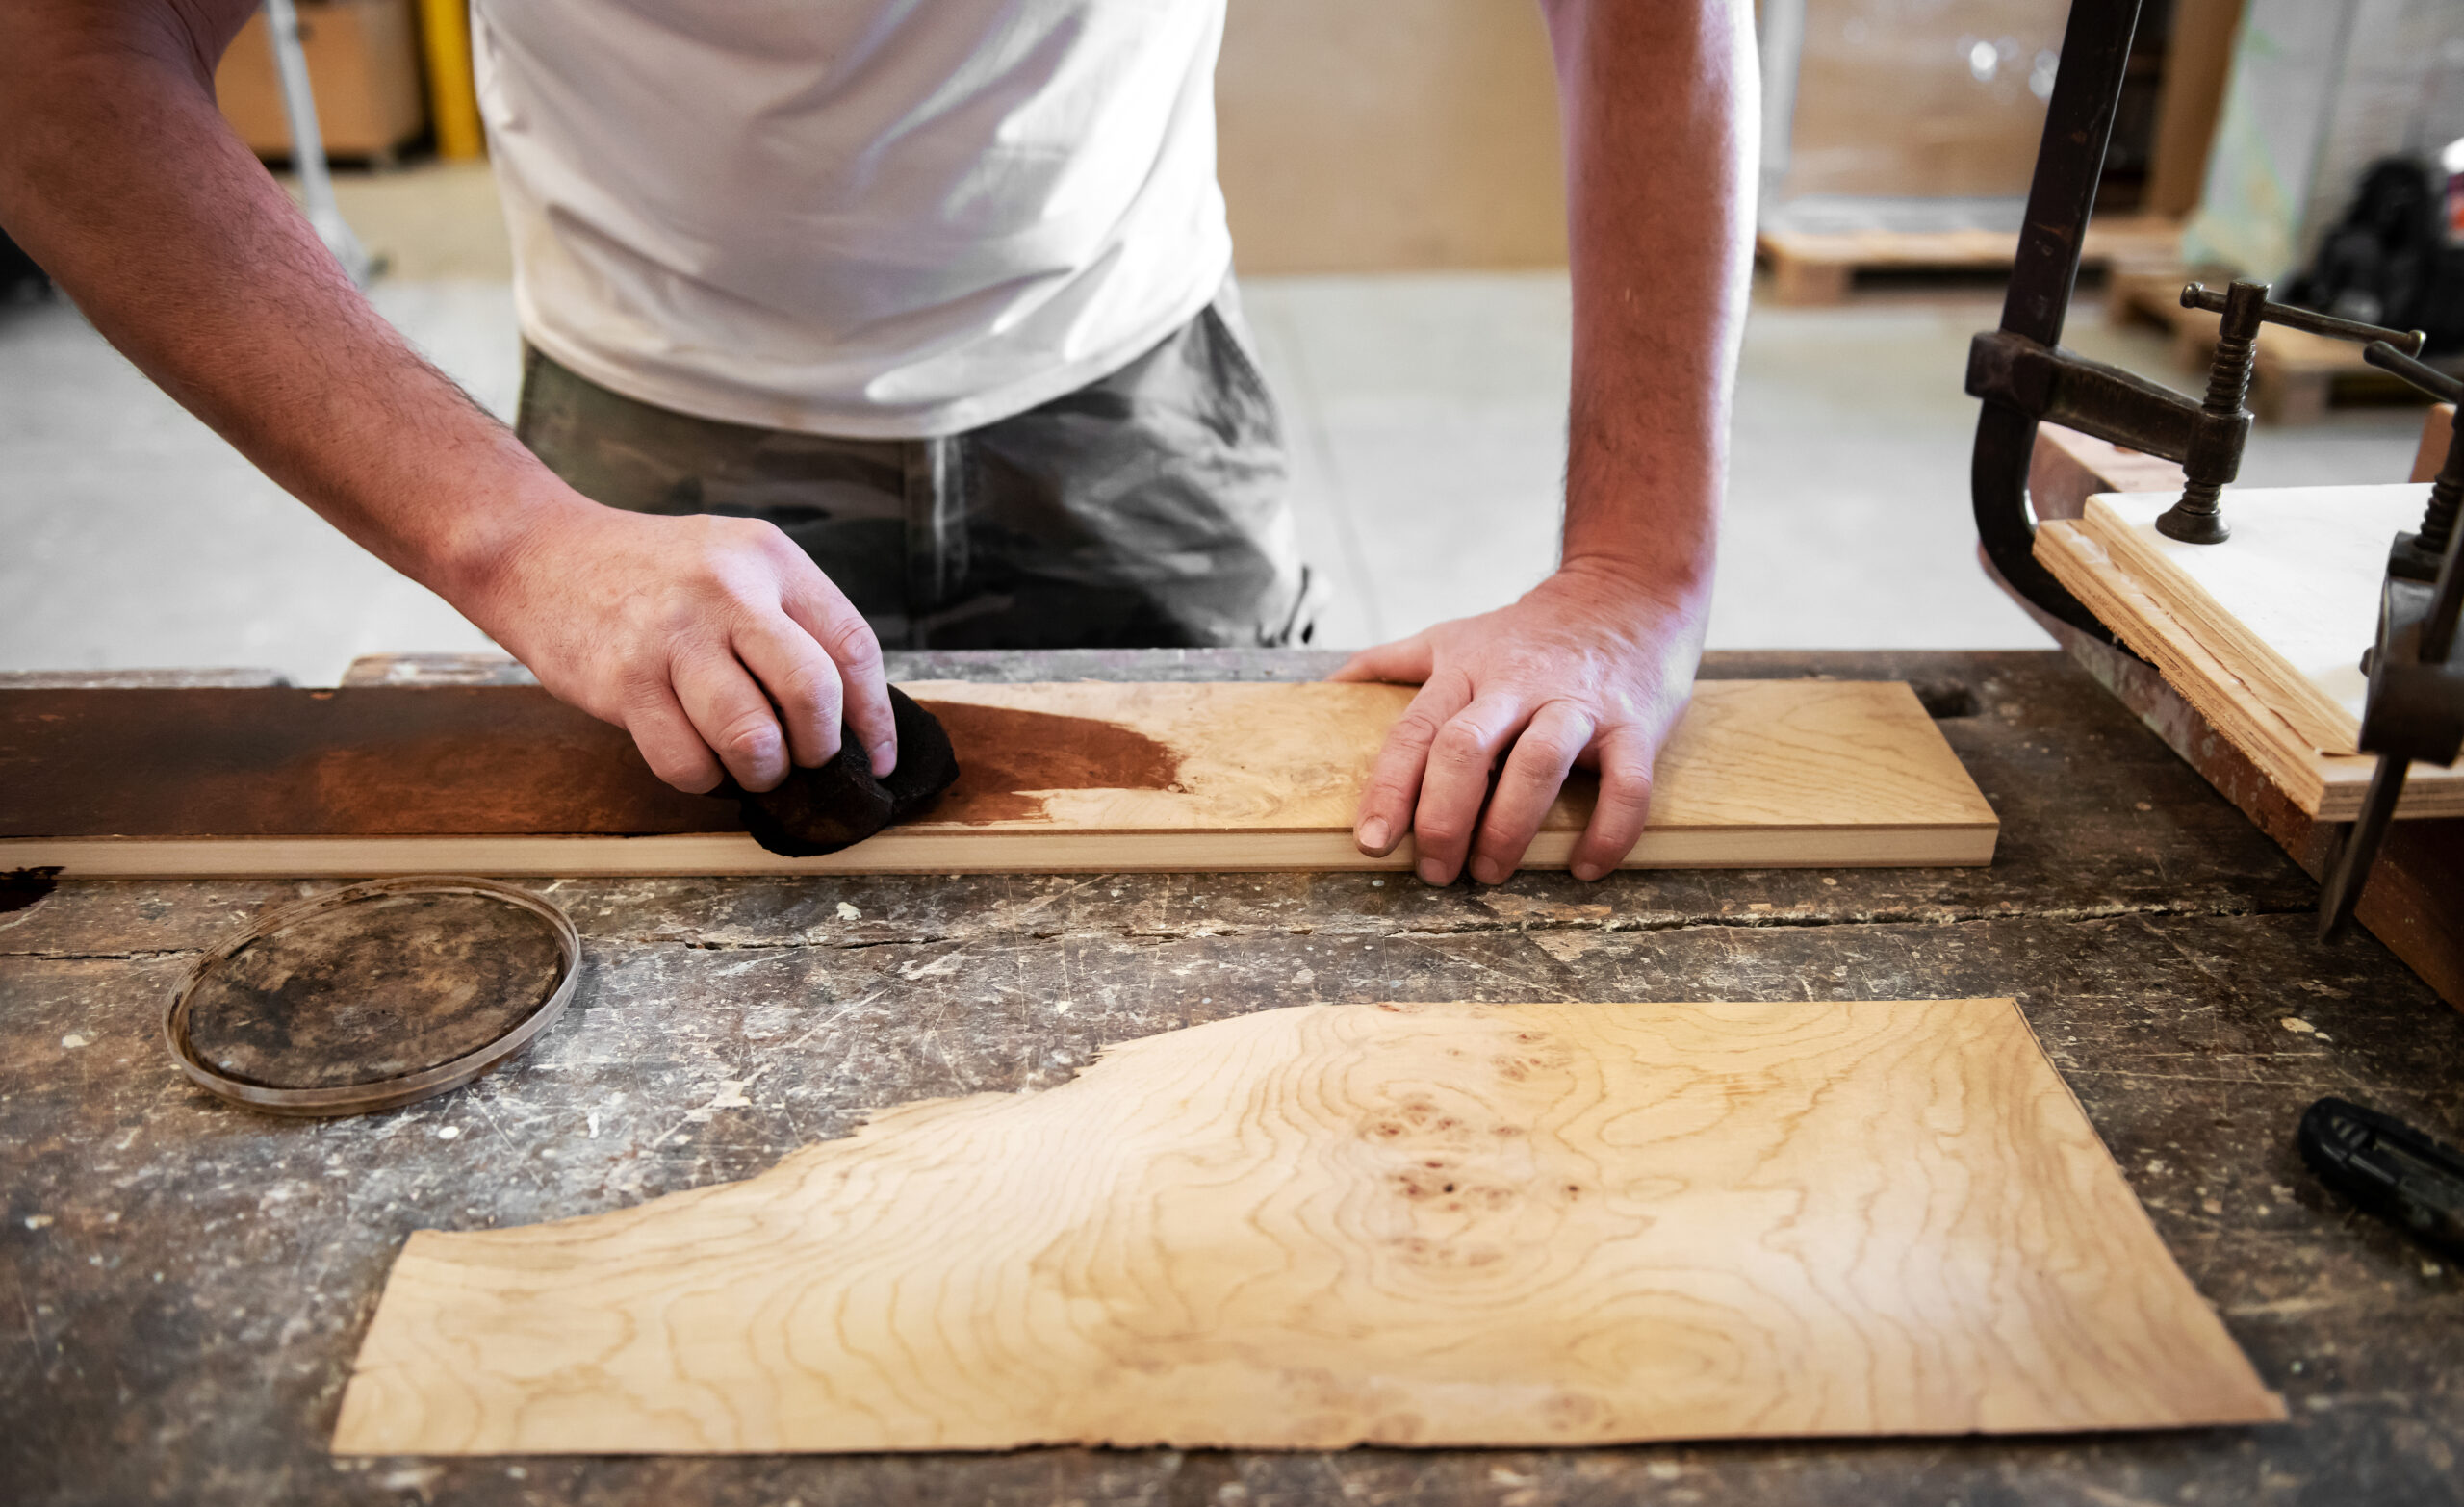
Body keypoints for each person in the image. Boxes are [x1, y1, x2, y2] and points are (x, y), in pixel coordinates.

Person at [0, 0, 1752, 884]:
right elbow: (63, 51)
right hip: (638, 439)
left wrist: (1630, 567)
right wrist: (518, 542)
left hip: (1131, 380)